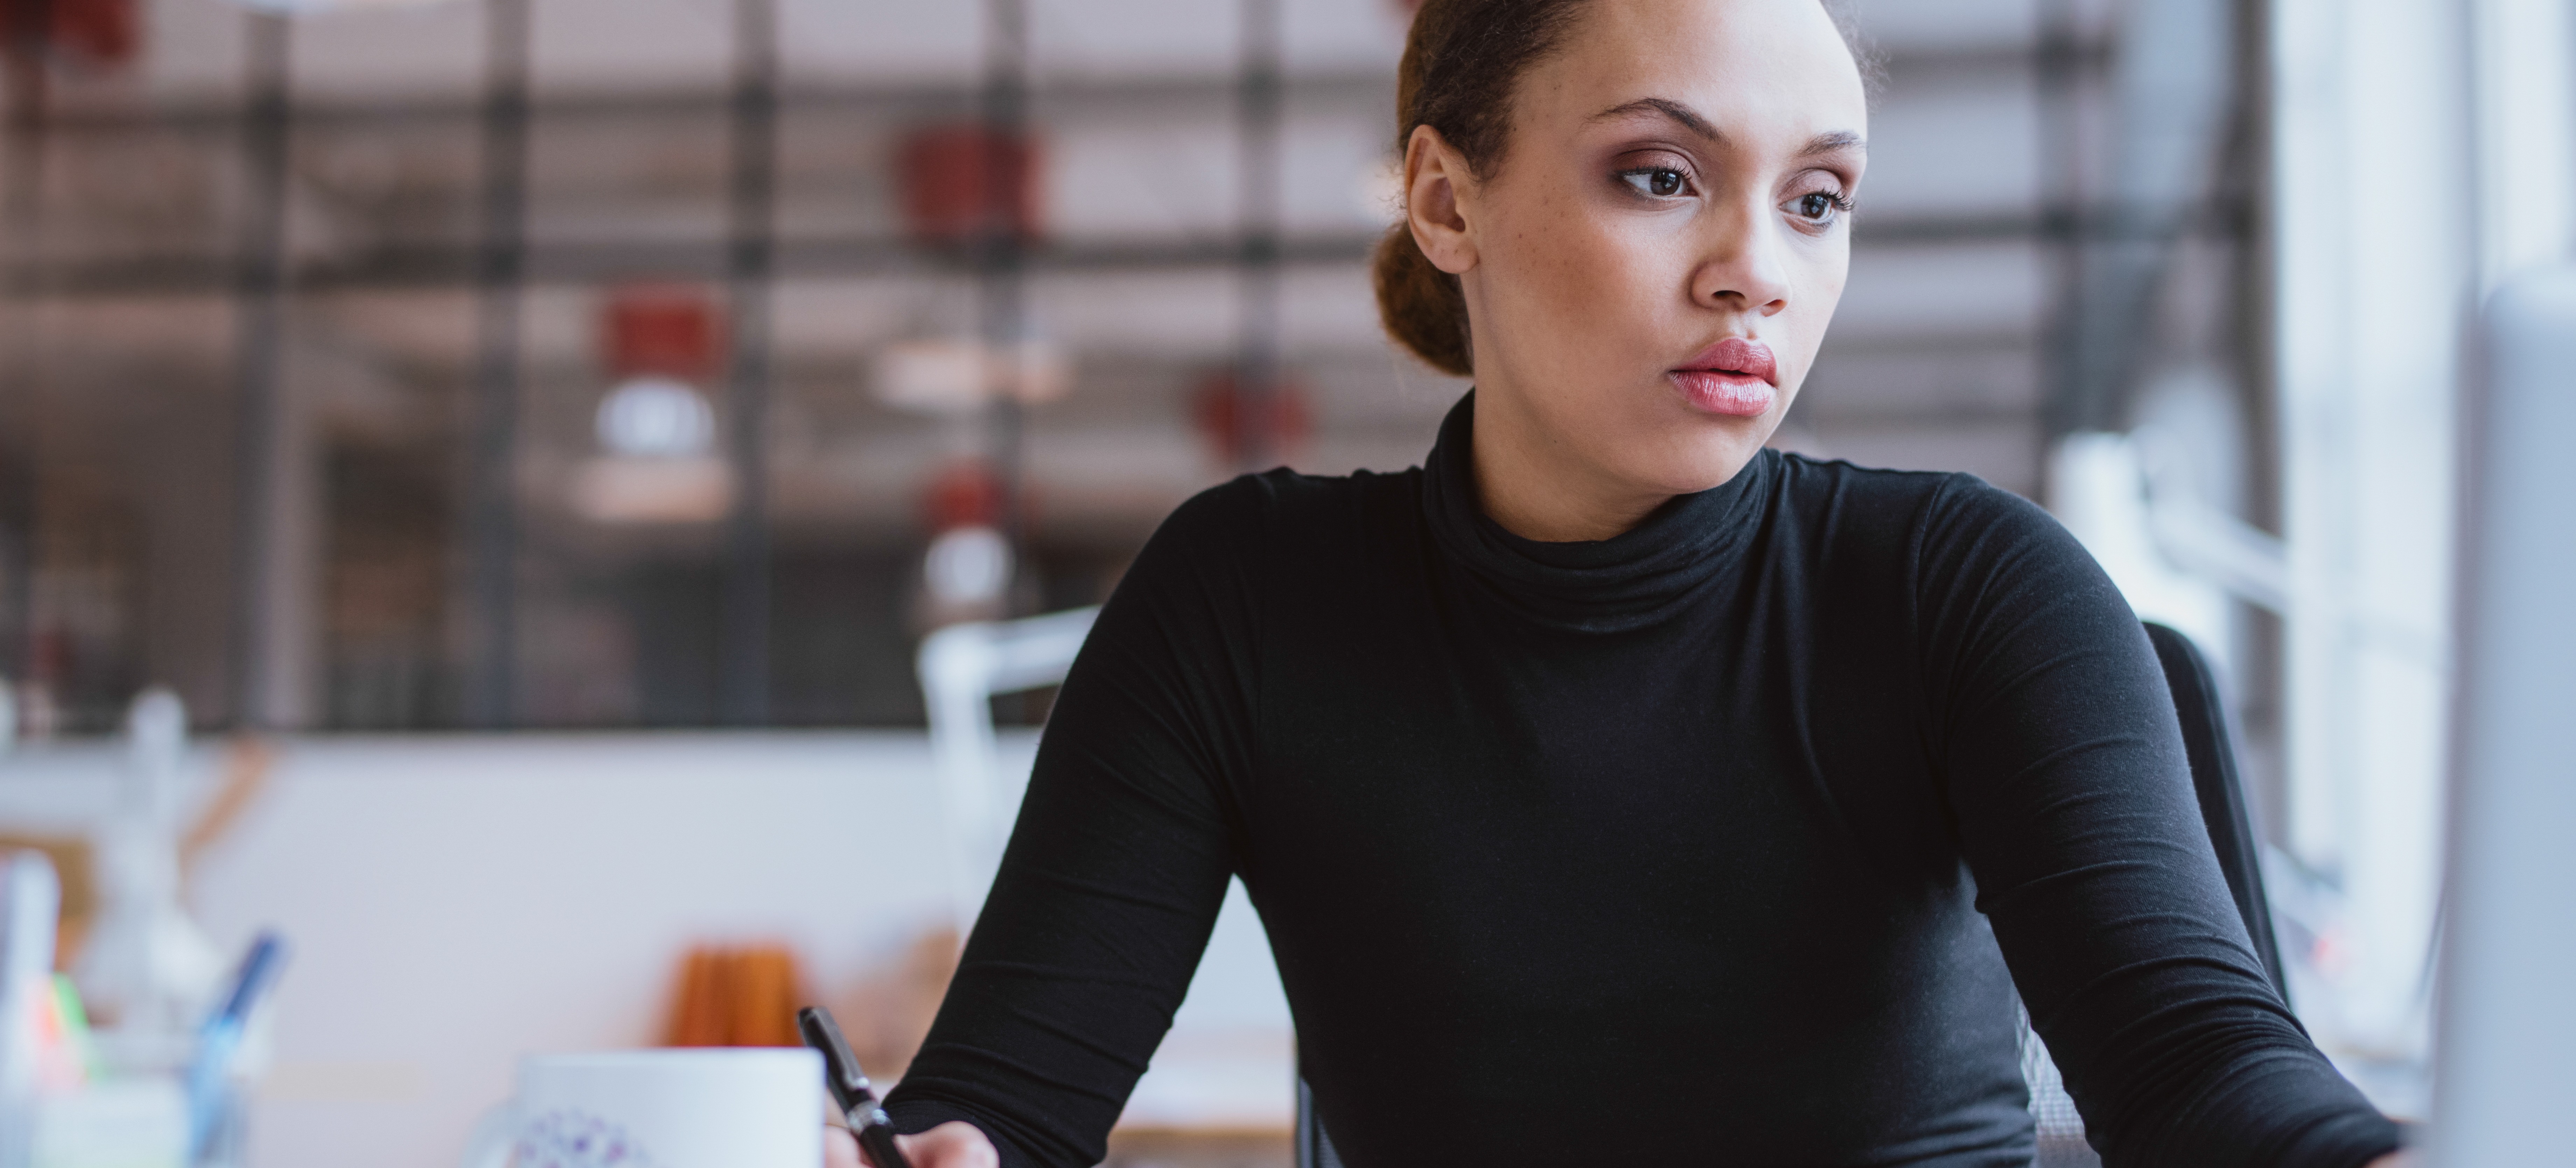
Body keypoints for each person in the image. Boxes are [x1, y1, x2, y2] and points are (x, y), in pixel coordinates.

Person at [830, 0, 2408, 1164]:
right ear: (1446, 201)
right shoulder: (1246, 600)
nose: (1757, 271)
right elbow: (1003, 1109)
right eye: (1660, 175)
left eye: (1816, 201)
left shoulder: (1966, 587)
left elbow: (2197, 1070)